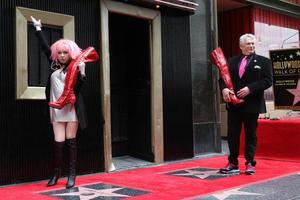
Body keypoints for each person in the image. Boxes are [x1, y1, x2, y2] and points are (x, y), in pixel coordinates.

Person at [30, 16, 99, 188]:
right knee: (58, 144)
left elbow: (78, 89)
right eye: (59, 52)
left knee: (71, 142)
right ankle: (56, 174)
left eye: (65, 52)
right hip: (56, 109)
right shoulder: (54, 65)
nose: (61, 55)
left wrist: (82, 74)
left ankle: (72, 175)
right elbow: (45, 48)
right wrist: (38, 29)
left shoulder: (76, 67)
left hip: (71, 109)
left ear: (71, 53)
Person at [218, 33, 273, 175]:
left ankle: (250, 163)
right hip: (234, 105)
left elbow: (267, 81)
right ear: (241, 46)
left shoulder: (264, 61)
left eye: (253, 43)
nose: (251, 46)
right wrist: (223, 88)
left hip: (252, 105)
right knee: (232, 134)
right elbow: (223, 78)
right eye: (248, 44)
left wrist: (250, 89)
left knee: (250, 135)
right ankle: (232, 163)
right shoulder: (231, 61)